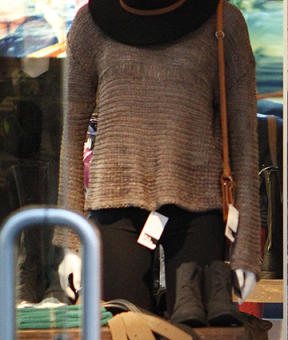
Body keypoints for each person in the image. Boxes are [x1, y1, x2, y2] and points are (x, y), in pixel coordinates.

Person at [56, 0, 259, 311]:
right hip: (116, 199)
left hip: (198, 201)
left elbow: (244, 137)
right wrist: (71, 242)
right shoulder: (91, 23)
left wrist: (246, 250)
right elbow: (71, 135)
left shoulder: (221, 20)